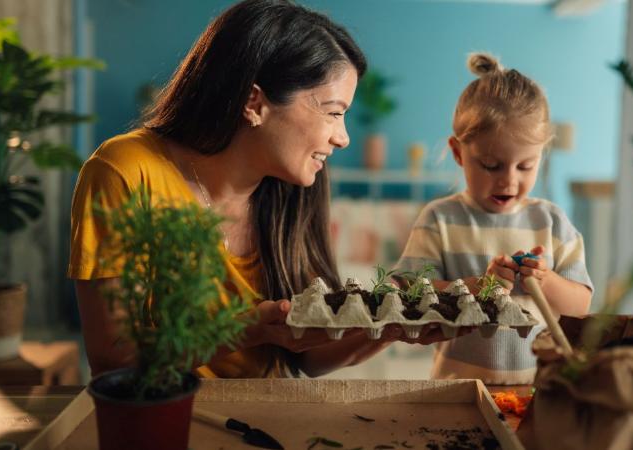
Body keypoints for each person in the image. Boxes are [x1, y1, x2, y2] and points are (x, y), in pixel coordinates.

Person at [69, 0, 446, 380]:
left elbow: (309, 358)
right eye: (333, 112)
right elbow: (113, 358)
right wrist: (246, 329)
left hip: (271, 421)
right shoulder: (125, 171)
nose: (343, 137)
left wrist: (392, 327)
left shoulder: (293, 189)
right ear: (255, 102)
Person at [394, 53, 593, 384]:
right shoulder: (440, 218)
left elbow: (580, 307)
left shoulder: (552, 221)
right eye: (491, 165)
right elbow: (408, 295)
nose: (508, 181)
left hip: (535, 394)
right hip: (455, 392)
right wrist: (475, 288)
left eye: (525, 166)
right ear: (458, 152)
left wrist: (546, 281)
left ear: (541, 155)